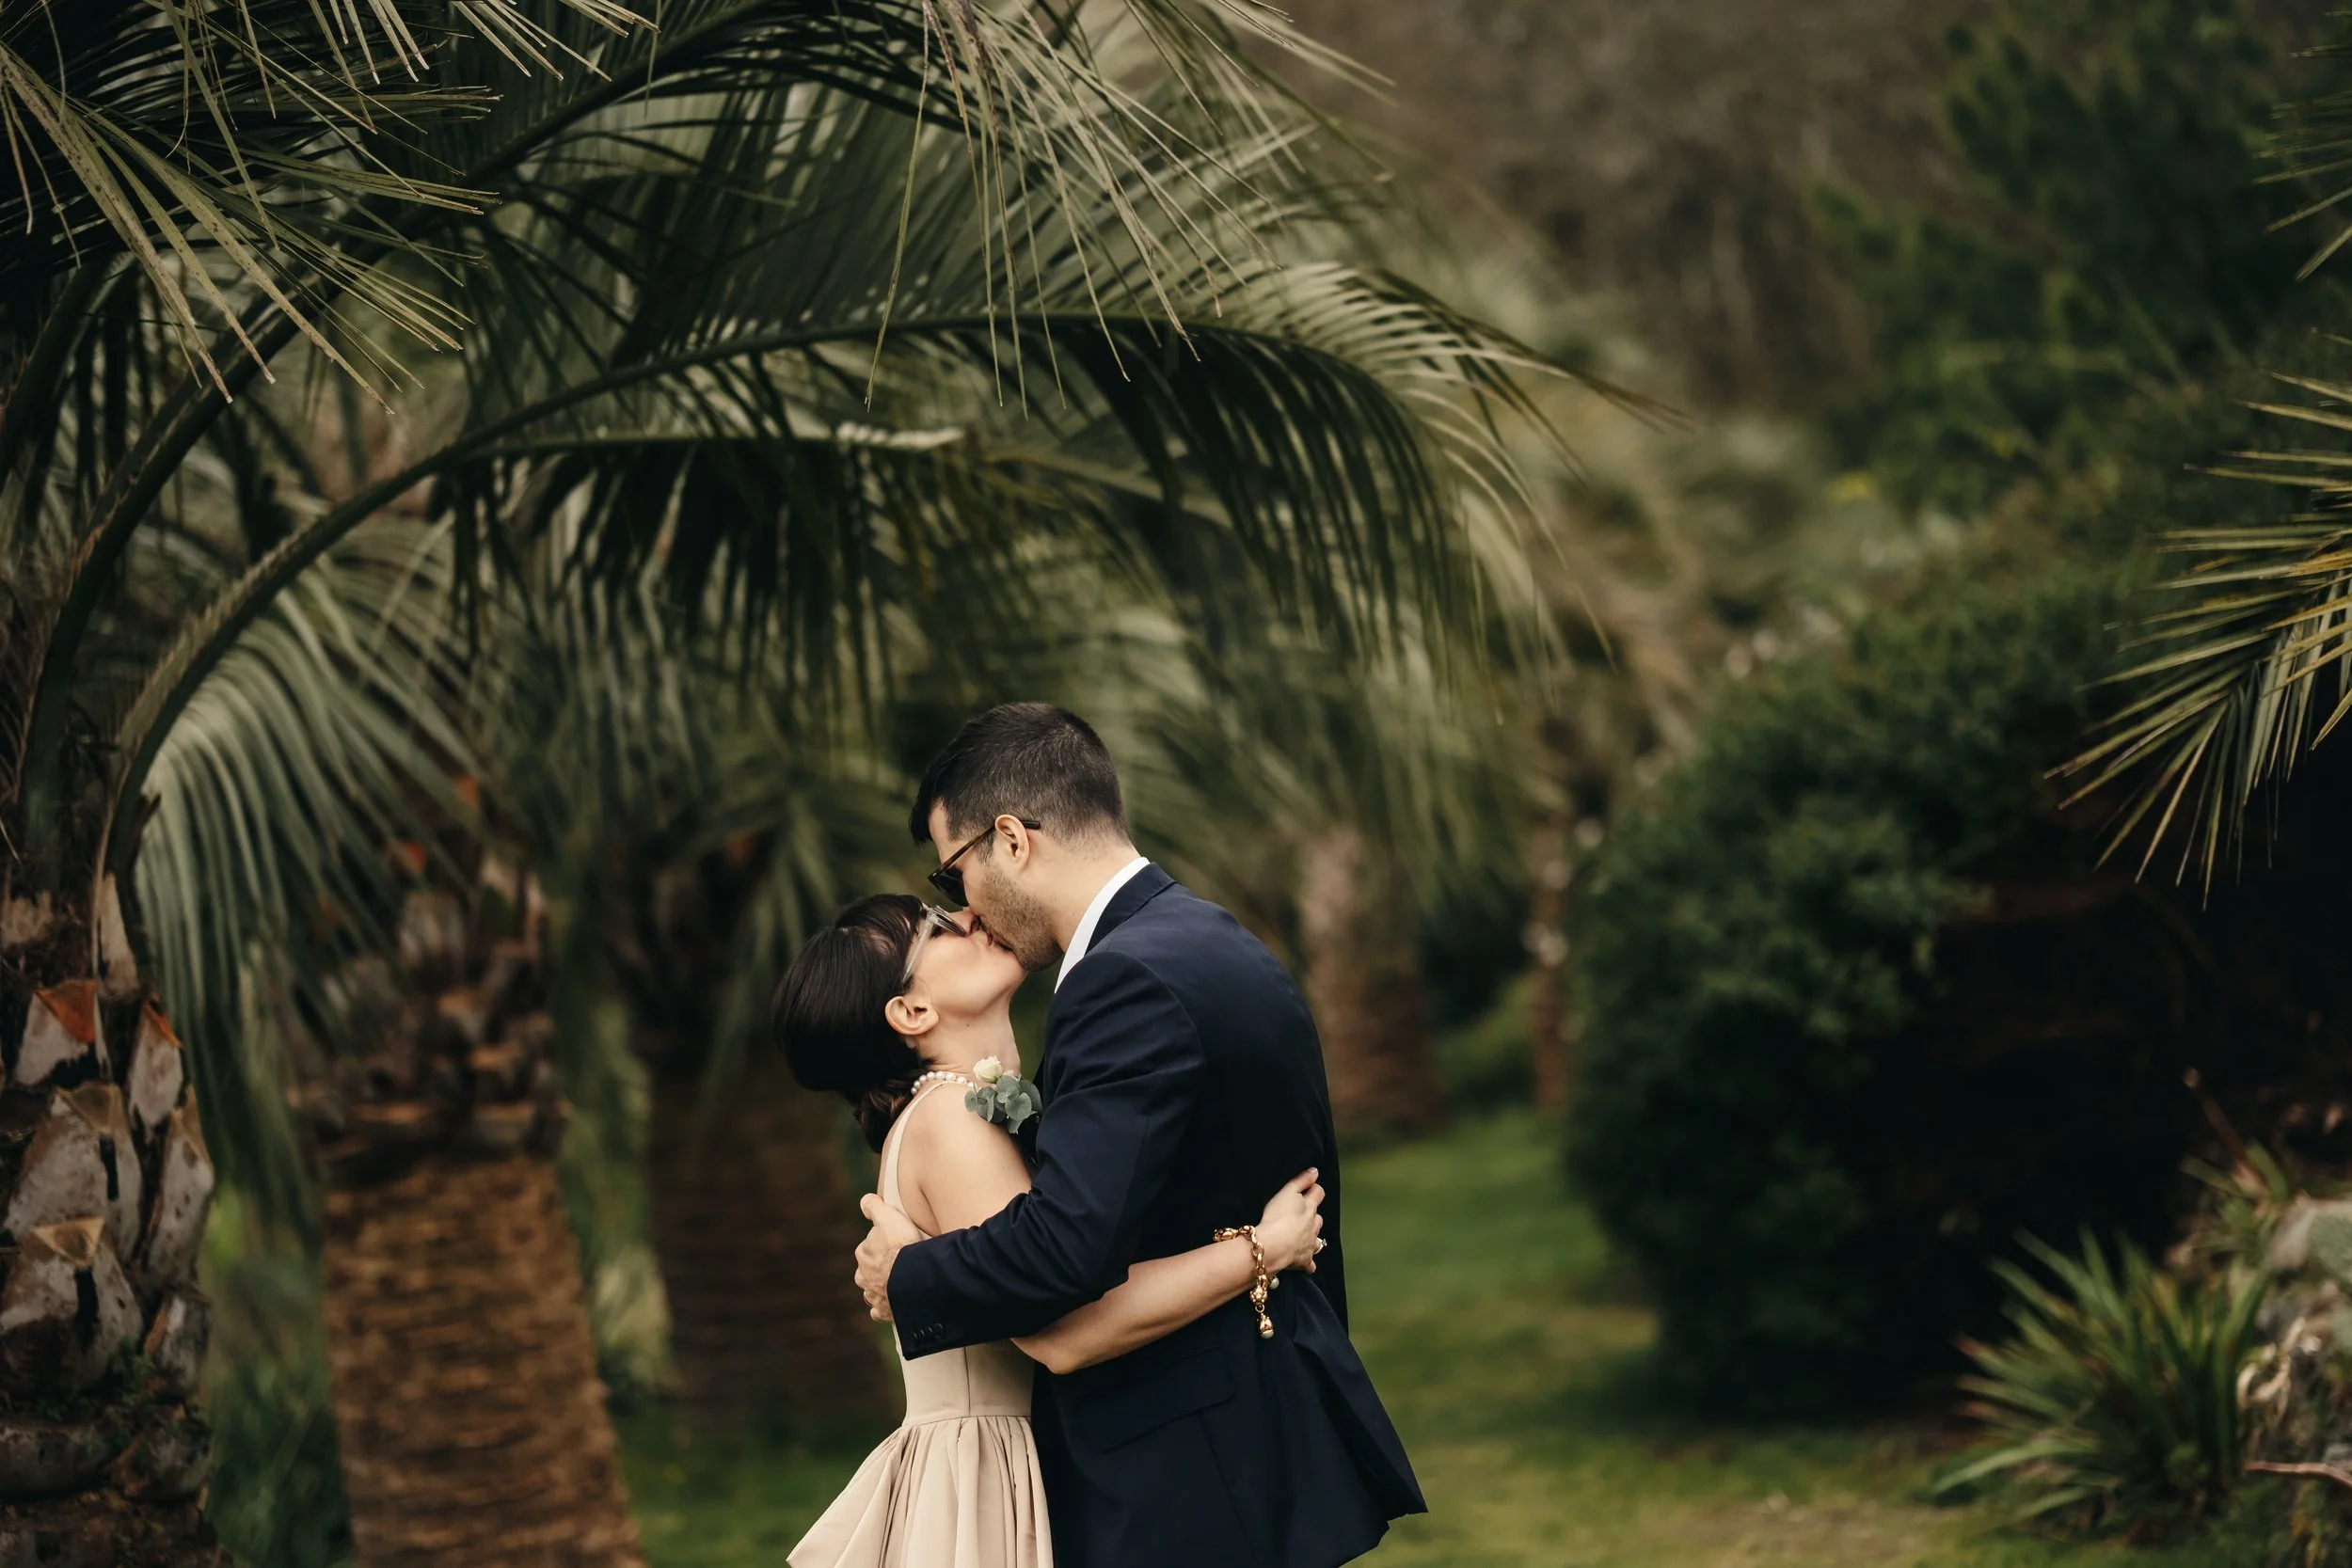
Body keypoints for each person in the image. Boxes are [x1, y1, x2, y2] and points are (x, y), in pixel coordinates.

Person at [851, 704, 1422, 1568]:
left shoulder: (1122, 981)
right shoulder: (1213, 939)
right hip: (1252, 1434)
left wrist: (911, 1272)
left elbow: (1062, 1252)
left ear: (1010, 840)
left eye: (949, 876)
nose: (961, 908)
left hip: (1184, 1474)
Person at [774, 893, 1328, 1568]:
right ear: (912, 1012)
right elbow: (1069, 1328)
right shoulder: (953, 1121)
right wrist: (1263, 1248)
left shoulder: (951, 1114)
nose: (972, 914)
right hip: (983, 1477)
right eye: (940, 925)